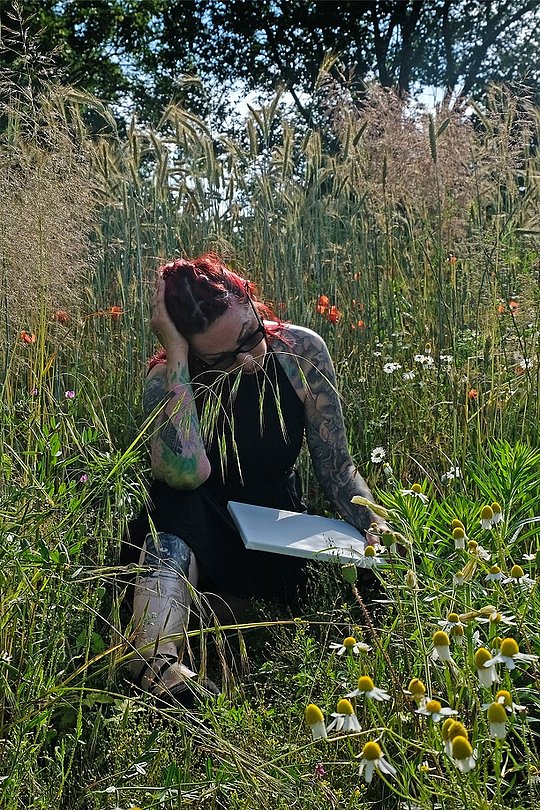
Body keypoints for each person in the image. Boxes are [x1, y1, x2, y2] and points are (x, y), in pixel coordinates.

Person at [126, 253, 387, 707]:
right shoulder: (166, 381)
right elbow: (186, 475)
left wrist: (374, 523)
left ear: (250, 299)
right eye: (224, 357)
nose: (247, 361)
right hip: (198, 534)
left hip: (279, 529)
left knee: (372, 577)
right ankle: (154, 663)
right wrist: (178, 359)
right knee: (175, 502)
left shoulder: (299, 353)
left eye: (250, 337)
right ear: (186, 345)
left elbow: (337, 466)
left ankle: (221, 616)